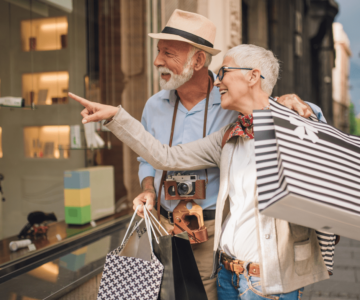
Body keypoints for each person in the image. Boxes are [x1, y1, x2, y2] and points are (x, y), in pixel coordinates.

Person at [69, 44, 334, 299]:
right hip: (228, 275)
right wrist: (116, 116)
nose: (217, 81)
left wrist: (307, 112)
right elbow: (165, 156)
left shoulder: (291, 125)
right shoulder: (229, 136)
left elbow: (326, 166)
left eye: (223, 73)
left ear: (253, 76)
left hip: (267, 280)